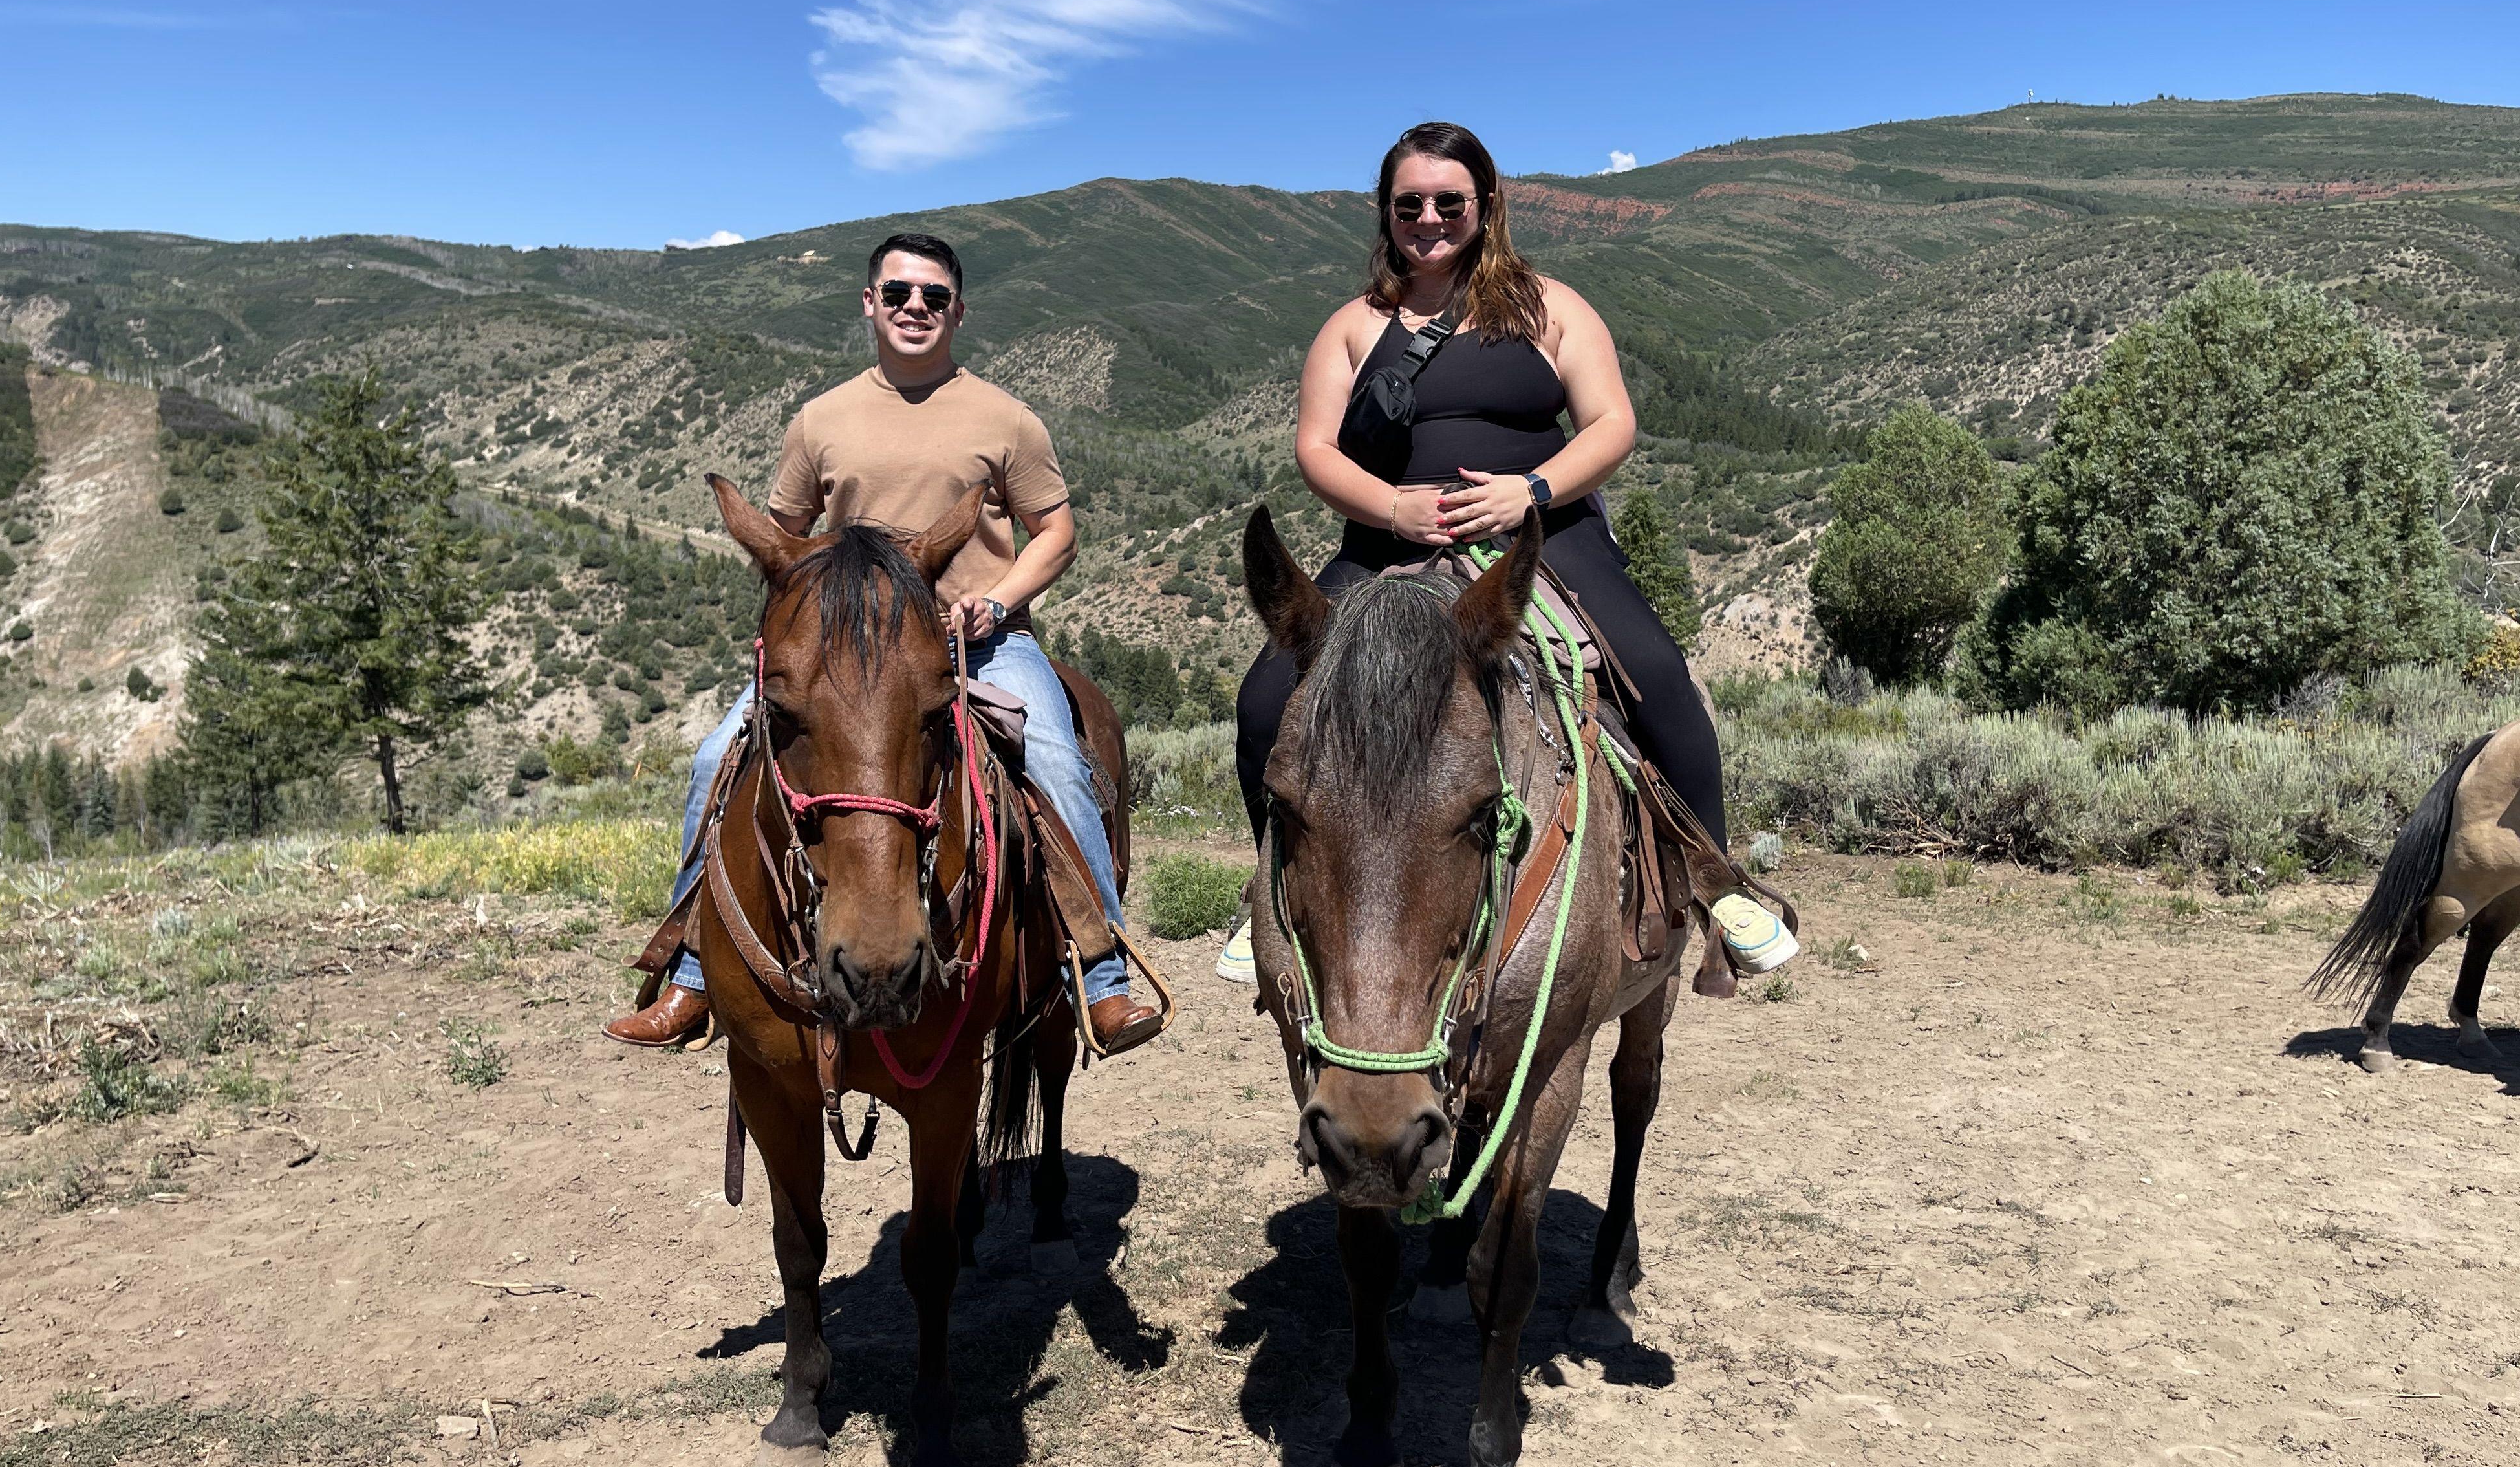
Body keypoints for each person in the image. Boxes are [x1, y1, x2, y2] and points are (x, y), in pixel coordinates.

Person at [1218, 118, 1792, 984]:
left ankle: (1717, 880)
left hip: (1543, 537)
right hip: (1385, 543)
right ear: (1385, 212)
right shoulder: (1351, 326)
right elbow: (1317, 451)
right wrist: (1393, 509)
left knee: (1657, 674)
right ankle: (1278, 891)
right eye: (1409, 203)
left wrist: (1527, 493)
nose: (1429, 218)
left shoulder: (1549, 306)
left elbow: (1612, 424)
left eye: (1449, 202)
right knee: (1268, 698)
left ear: (1486, 206)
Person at [609, 228, 1163, 1054]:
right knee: (713, 758)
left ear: (959, 311)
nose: (915, 308)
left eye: (934, 297)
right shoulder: (821, 420)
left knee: (1053, 759)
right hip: (852, 659)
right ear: (869, 302)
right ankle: (691, 972)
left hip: (978, 642)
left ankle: (1102, 972)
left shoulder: (1006, 418)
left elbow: (1058, 533)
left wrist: (998, 601)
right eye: (898, 293)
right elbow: (788, 543)